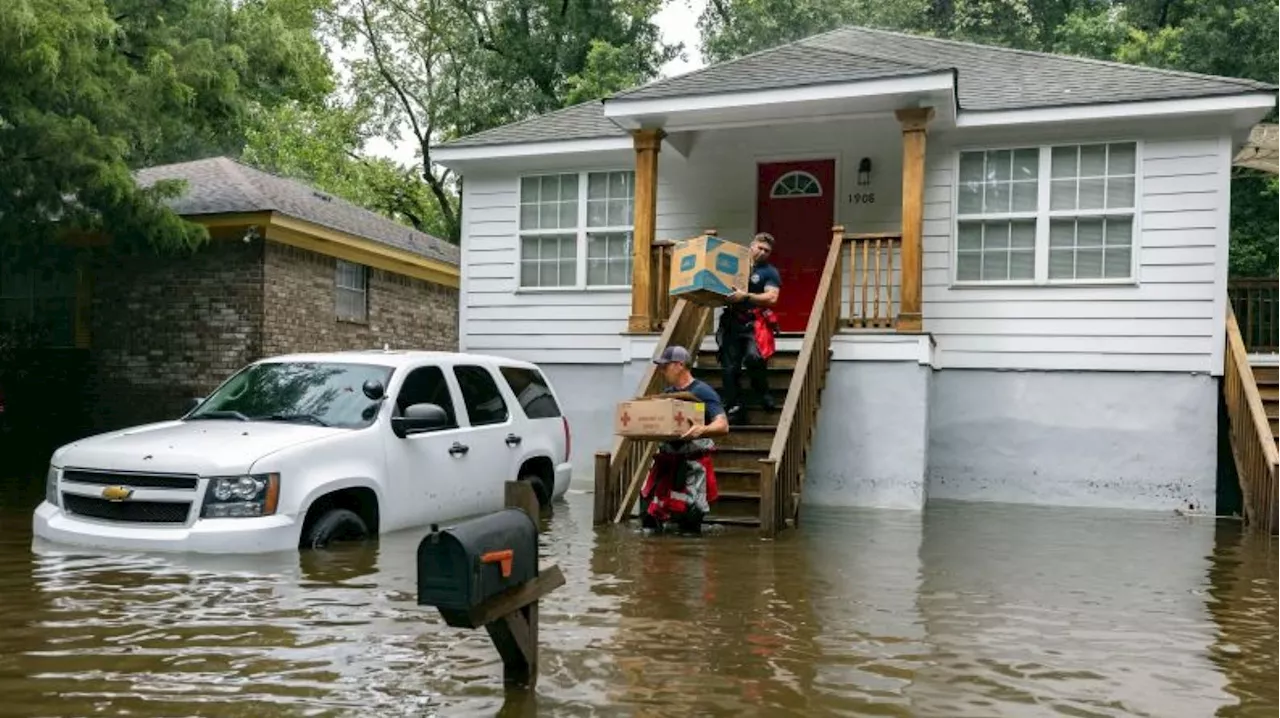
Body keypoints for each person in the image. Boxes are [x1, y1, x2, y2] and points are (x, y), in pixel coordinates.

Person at [638, 345, 730, 534]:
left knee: (689, 520)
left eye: (666, 366)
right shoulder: (668, 393)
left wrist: (702, 430)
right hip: (667, 462)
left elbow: (723, 425)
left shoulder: (703, 392)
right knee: (650, 517)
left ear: (679, 365)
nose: (662, 370)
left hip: (692, 465)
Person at [717, 232, 782, 424]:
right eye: (759, 248)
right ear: (751, 246)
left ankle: (762, 390)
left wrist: (746, 296)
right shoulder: (733, 265)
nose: (762, 253)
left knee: (755, 358)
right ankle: (735, 406)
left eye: (767, 251)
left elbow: (772, 297)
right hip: (731, 322)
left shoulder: (769, 272)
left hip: (754, 323)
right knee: (729, 368)